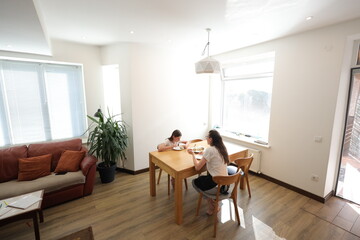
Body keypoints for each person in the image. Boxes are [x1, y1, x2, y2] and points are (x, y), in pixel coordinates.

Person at [187, 129, 229, 215]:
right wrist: (204, 154)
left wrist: (193, 155)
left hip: (216, 185)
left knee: (195, 182)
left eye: (207, 137)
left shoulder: (210, 150)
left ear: (211, 139)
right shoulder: (222, 148)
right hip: (226, 184)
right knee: (202, 179)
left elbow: (197, 168)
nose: (206, 138)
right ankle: (214, 203)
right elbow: (213, 157)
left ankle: (211, 205)